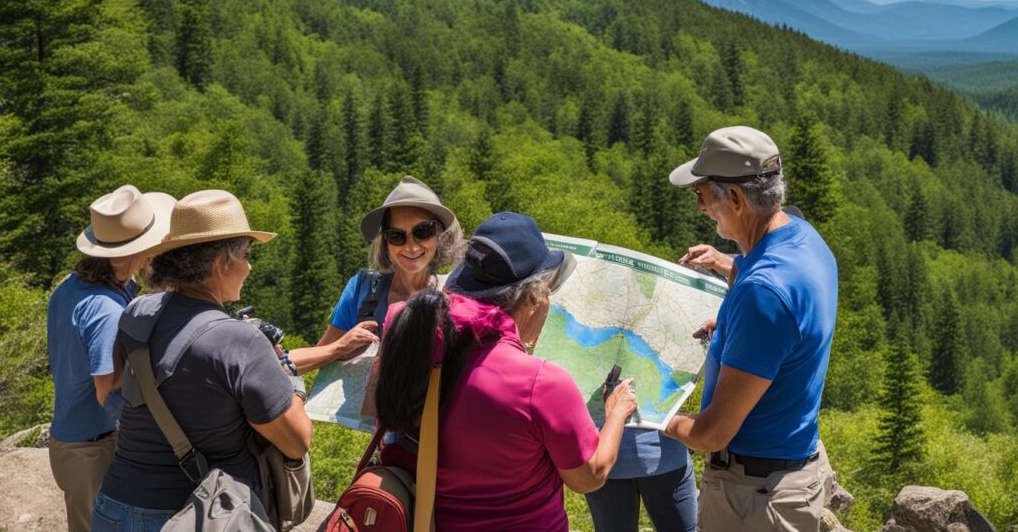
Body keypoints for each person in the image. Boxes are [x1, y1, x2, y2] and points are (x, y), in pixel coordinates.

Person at [375, 212, 639, 531]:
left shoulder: (410, 336)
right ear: (533, 297)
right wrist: (616, 413)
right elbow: (589, 476)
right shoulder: (540, 383)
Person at [93, 190, 312, 532]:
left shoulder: (137, 313)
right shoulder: (241, 341)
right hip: (196, 516)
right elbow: (297, 440)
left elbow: (122, 388)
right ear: (220, 263)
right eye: (246, 254)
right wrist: (290, 380)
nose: (250, 267)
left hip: (113, 506)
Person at [665, 126, 837, 531]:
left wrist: (657, 416)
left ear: (737, 198)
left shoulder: (763, 296)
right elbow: (775, 297)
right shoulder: (805, 238)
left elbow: (712, 434)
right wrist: (727, 281)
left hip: (753, 497)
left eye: (702, 194)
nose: (700, 207)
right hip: (790, 470)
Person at [47, 185, 176, 532]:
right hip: (90, 448)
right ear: (125, 255)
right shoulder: (105, 309)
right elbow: (104, 386)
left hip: (72, 438)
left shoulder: (71, 285)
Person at [288, 175, 463, 373]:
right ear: (385, 243)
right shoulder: (361, 289)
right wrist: (339, 348)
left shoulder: (454, 294)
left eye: (422, 232)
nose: (412, 247)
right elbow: (309, 359)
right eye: (397, 236)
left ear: (439, 234)